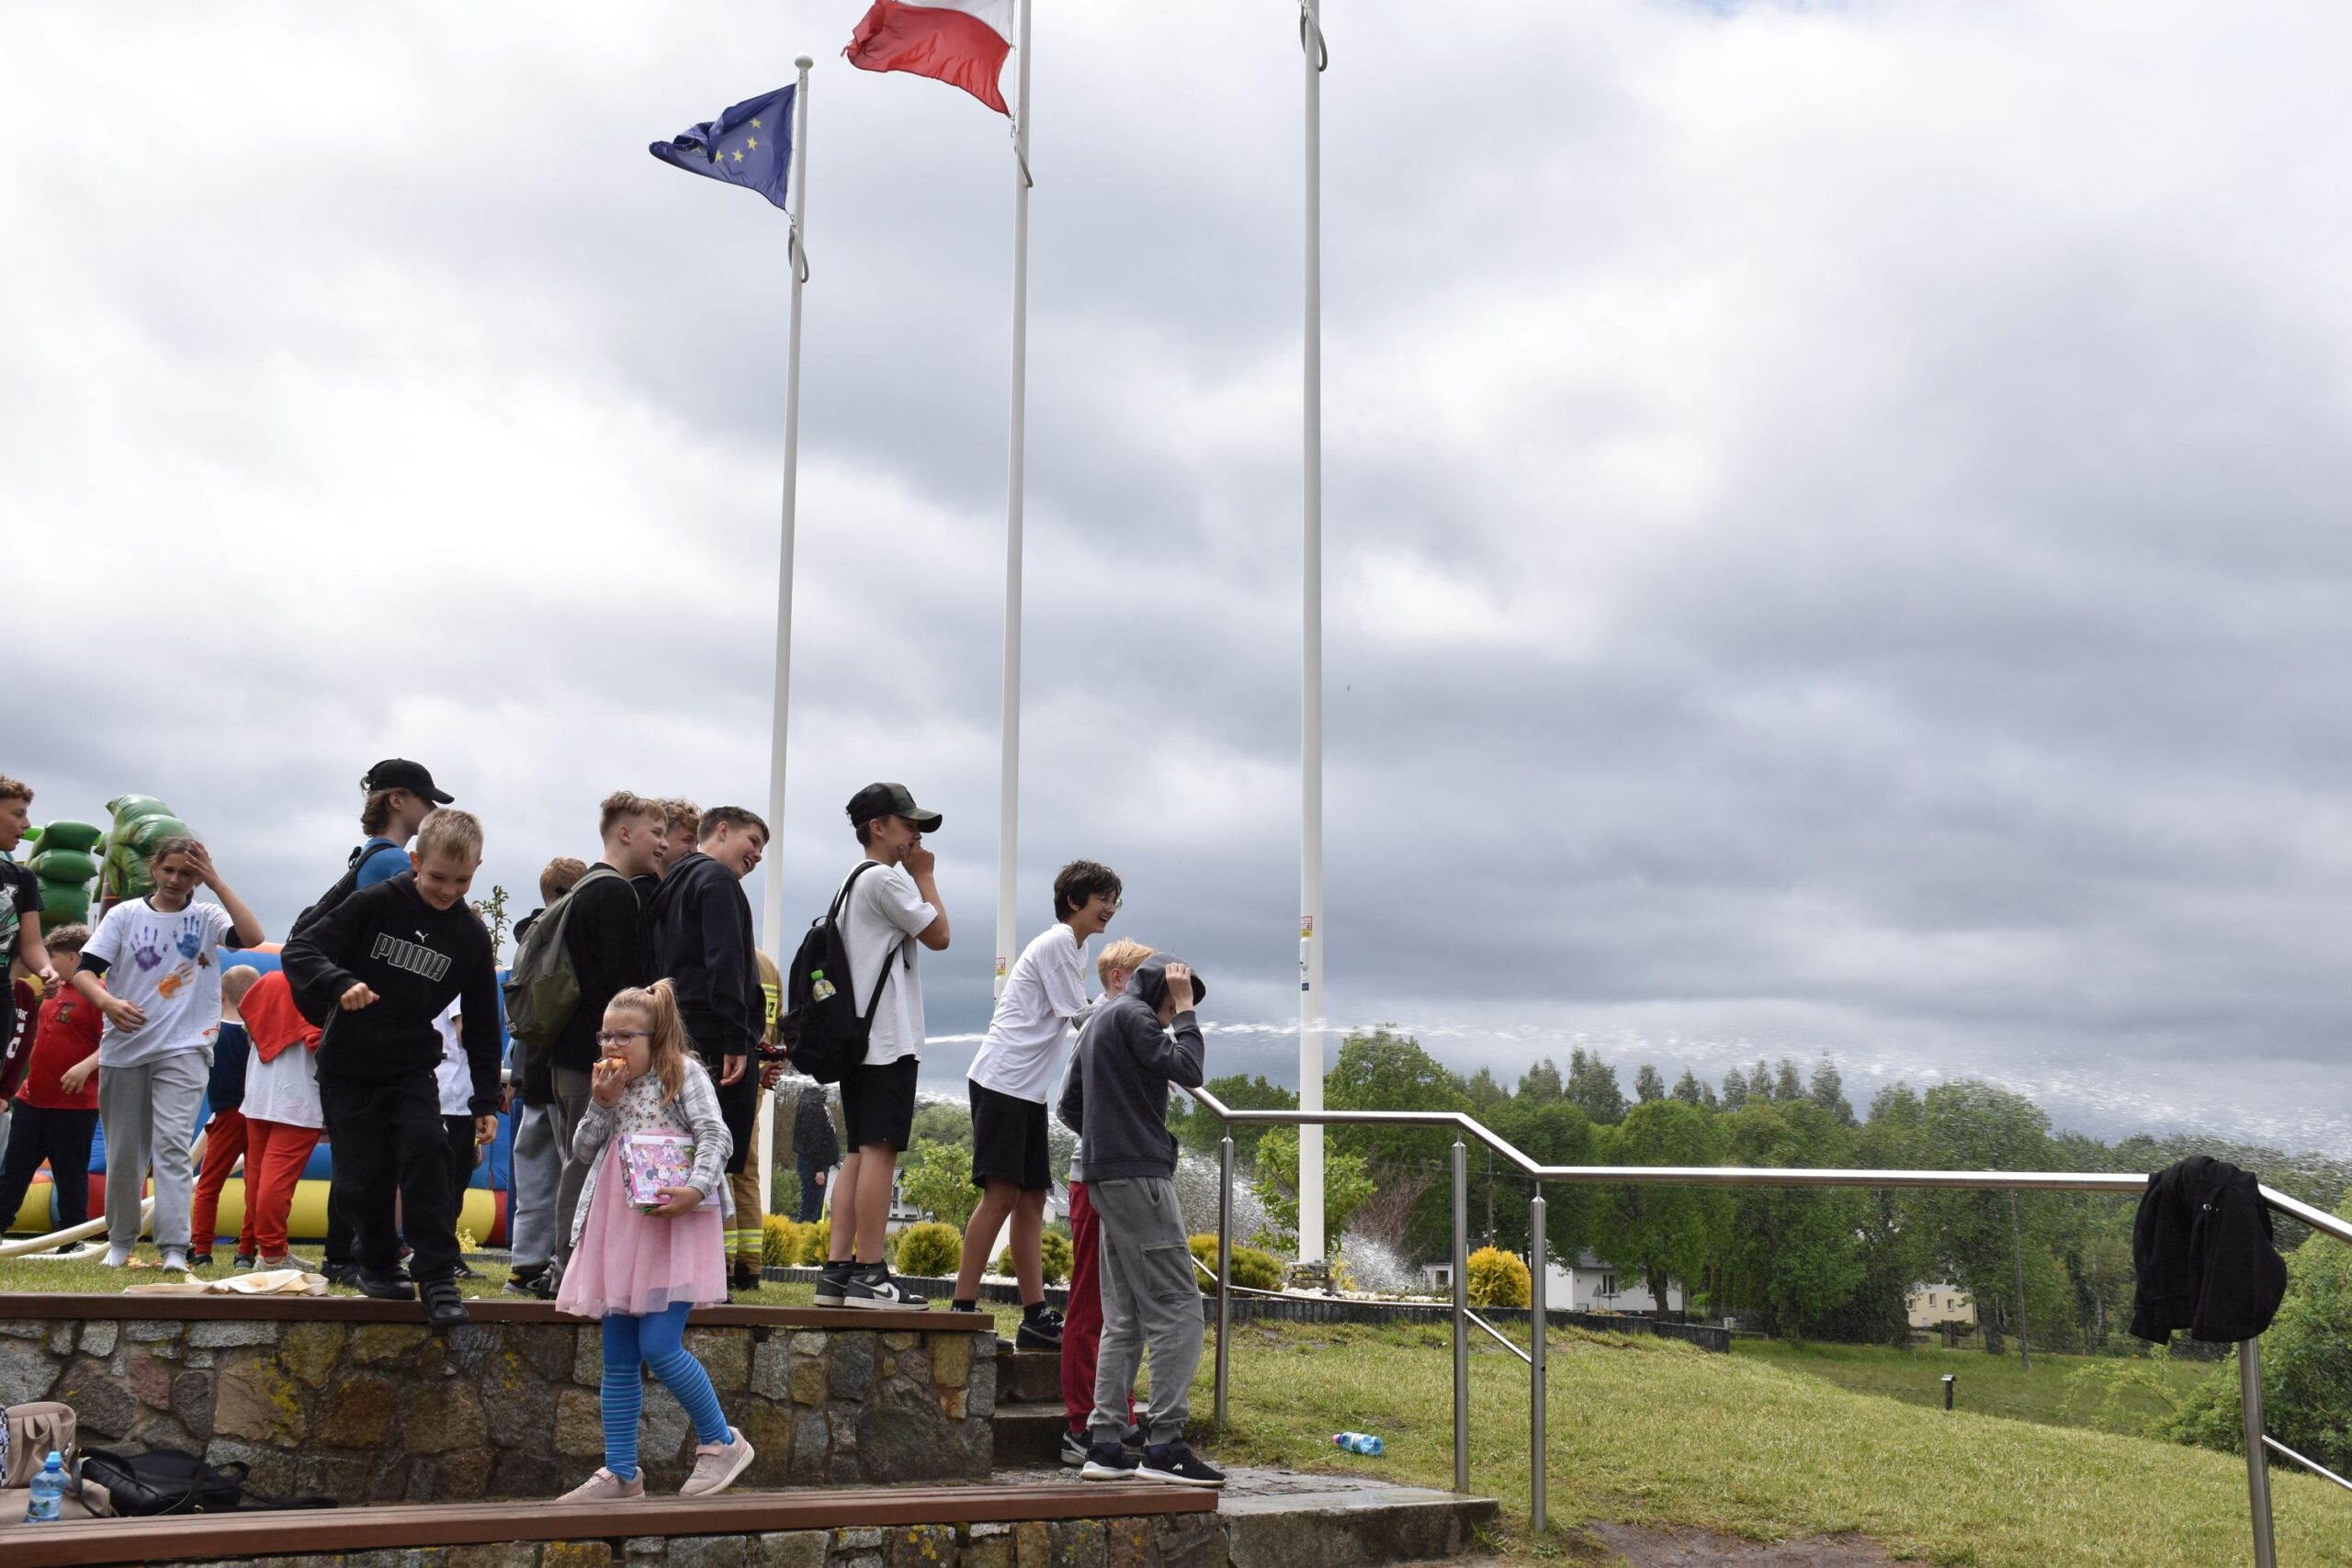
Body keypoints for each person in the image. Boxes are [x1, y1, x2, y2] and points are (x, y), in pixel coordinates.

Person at [281, 808, 500, 1328]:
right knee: (363, 1177)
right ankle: (377, 1263)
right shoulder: (378, 901)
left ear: (477, 870)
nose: (448, 890)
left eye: (462, 881)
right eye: (438, 877)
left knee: (429, 1154)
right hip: (349, 1064)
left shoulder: (470, 935)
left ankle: (438, 1276)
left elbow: (484, 1024)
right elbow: (300, 950)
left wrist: (485, 1098)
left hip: (411, 1066)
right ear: (415, 861)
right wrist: (339, 982)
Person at [556, 981, 755, 1501]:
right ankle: (622, 1473)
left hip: (674, 1226)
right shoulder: (609, 1086)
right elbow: (582, 1150)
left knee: (659, 1345)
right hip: (621, 1230)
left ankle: (722, 1441)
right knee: (618, 1356)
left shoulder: (682, 1073)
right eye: (605, 1036)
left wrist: (696, 1188)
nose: (612, 1046)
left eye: (624, 1036)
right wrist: (601, 1104)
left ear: (655, 1035)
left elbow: (716, 1134)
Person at [1058, 954, 1225, 1487]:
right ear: (1165, 995)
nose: (1172, 1018)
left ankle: (1105, 1444)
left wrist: (1112, 1128)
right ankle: (1164, 1445)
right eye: (1172, 1007)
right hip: (1140, 1178)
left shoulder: (1103, 1019)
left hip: (1103, 1178)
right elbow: (1190, 1070)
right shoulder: (1136, 1016)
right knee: (1180, 1309)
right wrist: (1187, 1013)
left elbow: (1069, 1105)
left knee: (1124, 1316)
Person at [950, 859, 1124, 1343]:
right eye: (1102, 899)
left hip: (1026, 1090)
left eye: (1115, 901)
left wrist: (1117, 1006)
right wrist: (1131, 1018)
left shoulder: (1077, 948)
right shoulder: (1059, 942)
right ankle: (961, 1310)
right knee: (1001, 1196)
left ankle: (1035, 1318)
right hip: (1002, 1081)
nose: (1110, 908)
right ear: (1074, 901)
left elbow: (1081, 1015)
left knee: (1031, 1199)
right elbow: (1081, 1019)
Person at [74, 837, 265, 1271]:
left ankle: (175, 1248)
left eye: (188, 873)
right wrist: (108, 1003)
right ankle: (120, 1241)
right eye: (169, 870)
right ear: (154, 869)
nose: (177, 879)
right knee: (125, 1151)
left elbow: (253, 936)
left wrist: (215, 881)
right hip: (125, 1047)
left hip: (185, 1046)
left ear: (198, 877)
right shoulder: (125, 915)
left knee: (173, 1145)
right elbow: (85, 972)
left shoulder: (207, 916)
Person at [320, 758, 457, 1284]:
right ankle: (352, 1253)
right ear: (398, 800)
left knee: (359, 1152)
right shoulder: (394, 864)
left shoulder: (365, 857)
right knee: (375, 1156)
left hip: (353, 1023)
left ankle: (343, 1253)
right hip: (377, 1026)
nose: (431, 812)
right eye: (426, 801)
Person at [818, 783, 950, 1312]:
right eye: (907, 824)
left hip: (859, 1039)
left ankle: (837, 1272)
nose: (916, 836)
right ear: (878, 827)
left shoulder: (852, 882)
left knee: (858, 1151)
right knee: (879, 1150)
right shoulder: (885, 879)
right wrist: (925, 876)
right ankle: (871, 1273)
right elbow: (940, 935)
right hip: (888, 1039)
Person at [546, 795, 666, 1293]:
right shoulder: (616, 894)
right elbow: (624, 993)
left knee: (576, 1160)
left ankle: (570, 1268)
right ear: (624, 833)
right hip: (595, 1062)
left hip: (569, 1056)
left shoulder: (585, 889)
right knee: (584, 1164)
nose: (662, 844)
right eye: (655, 832)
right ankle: (567, 1271)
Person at [649, 806, 767, 1295]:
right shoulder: (717, 880)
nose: (757, 855)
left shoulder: (671, 883)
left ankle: (679, 1270)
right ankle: (705, 1273)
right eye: (753, 841)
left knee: (680, 1151)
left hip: (673, 1032)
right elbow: (726, 961)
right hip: (713, 1038)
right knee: (714, 1154)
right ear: (721, 830)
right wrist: (737, 1038)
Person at [1057, 937, 1153, 1465]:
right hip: (1095, 1178)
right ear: (1119, 979)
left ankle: (1119, 1413)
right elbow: (1068, 1103)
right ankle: (1081, 1425)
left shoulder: (1131, 1025)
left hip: (1123, 1178)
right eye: (1145, 976)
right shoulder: (1100, 1022)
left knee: (1125, 1304)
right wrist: (1108, 1143)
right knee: (1092, 1301)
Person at [506, 855, 585, 1297]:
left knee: (533, 1176)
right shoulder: (565, 932)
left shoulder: (528, 937)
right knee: (568, 1172)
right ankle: (561, 1264)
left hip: (528, 1071)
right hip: (559, 1069)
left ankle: (524, 1263)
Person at [0, 923, 98, 1245]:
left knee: (70, 1173)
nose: (45, 965)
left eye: (51, 958)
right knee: (13, 1171)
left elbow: (118, 1041)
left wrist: (86, 1067)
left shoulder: (98, 993)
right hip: (32, 1101)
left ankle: (71, 1238)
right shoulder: (52, 992)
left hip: (74, 1106)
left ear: (73, 957)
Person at [232, 966, 324, 1270]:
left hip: (259, 1090)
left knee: (258, 1178)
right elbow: (324, 1044)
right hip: (297, 1095)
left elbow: (250, 1032)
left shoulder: (270, 980)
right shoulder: (323, 983)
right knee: (276, 1181)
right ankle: (272, 1253)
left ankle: (273, 1249)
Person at [0, 776, 60, 1168]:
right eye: (17, 814)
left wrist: (46, 969)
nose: (26, 824)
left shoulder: (21, 879)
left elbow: (32, 943)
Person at [187, 965, 262, 1269]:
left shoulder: (211, 1033)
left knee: (209, 1184)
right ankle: (246, 1251)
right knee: (256, 1186)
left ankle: (202, 1249)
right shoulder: (258, 1032)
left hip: (227, 1116)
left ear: (221, 994)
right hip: (259, 1116)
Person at [434, 998, 483, 1279]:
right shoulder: (461, 989)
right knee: (452, 1181)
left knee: (449, 1180)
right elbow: (467, 1033)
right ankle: (445, 1254)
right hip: (453, 1097)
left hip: (448, 1093)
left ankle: (441, 1251)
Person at [791, 1081, 840, 1224]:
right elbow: (815, 1139)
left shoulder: (813, 1101)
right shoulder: (813, 1105)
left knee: (813, 1208)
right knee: (810, 1210)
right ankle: (804, 1234)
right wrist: (819, 1169)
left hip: (815, 1163)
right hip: (813, 1164)